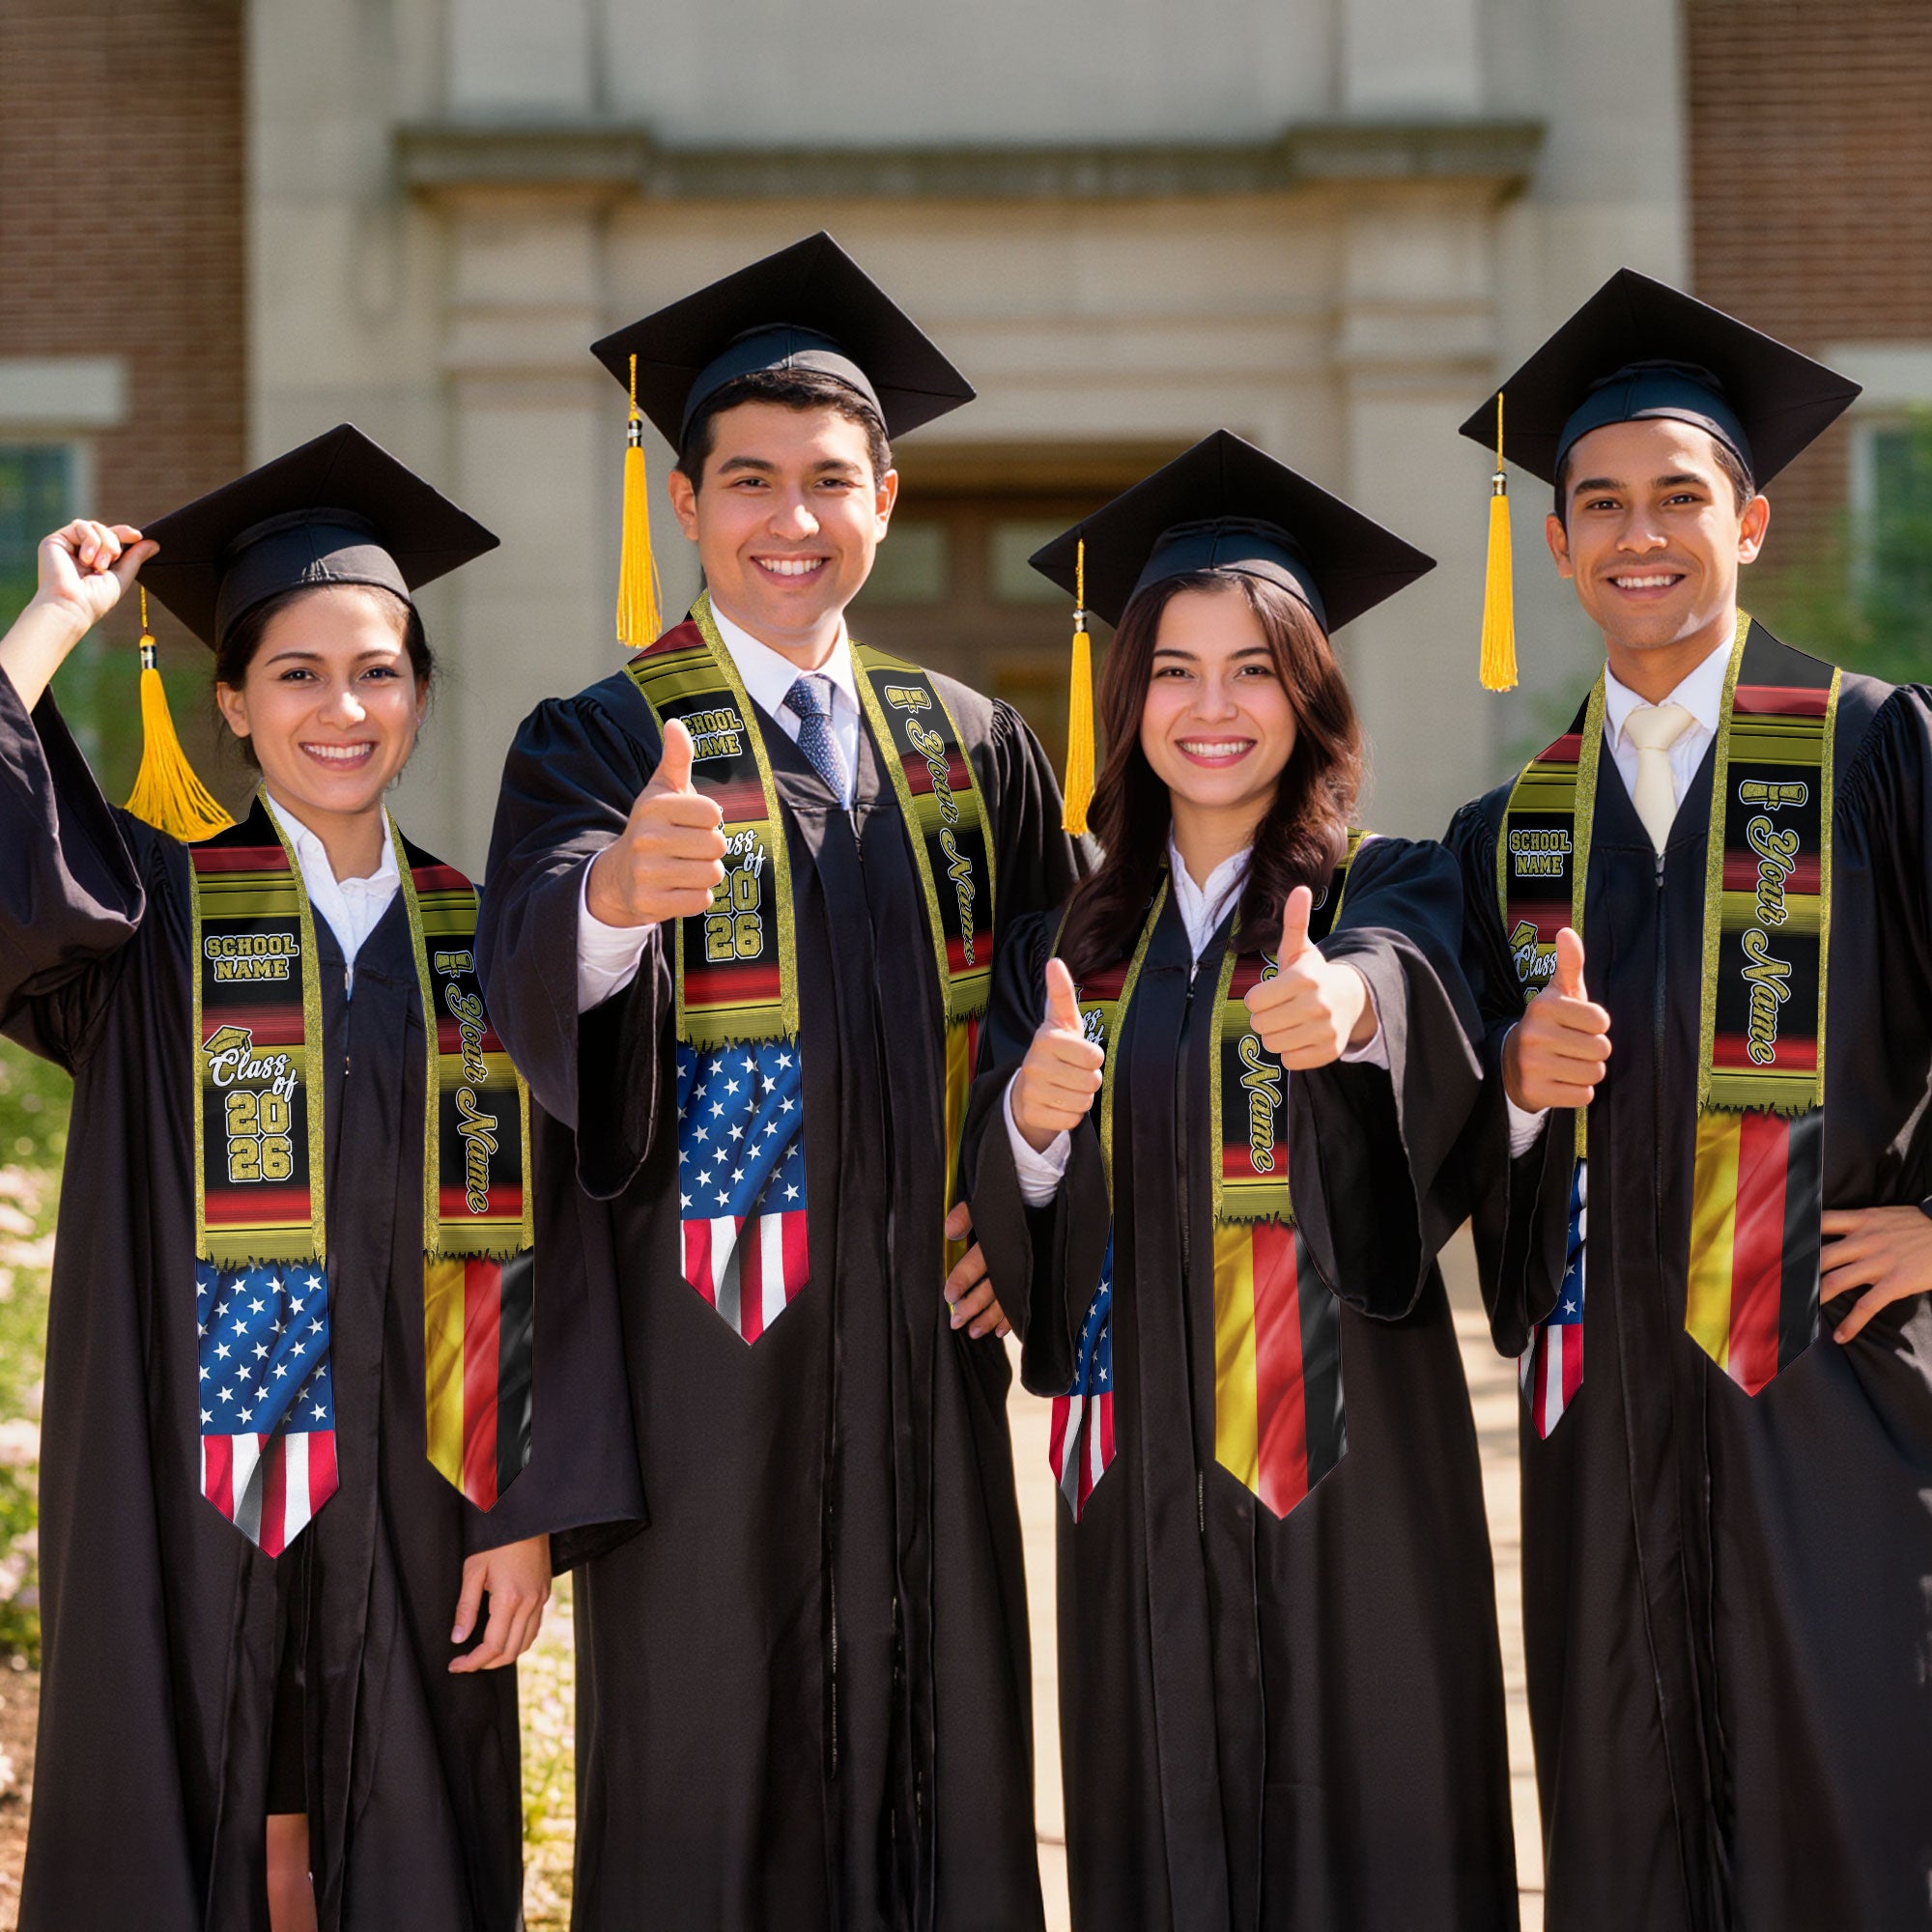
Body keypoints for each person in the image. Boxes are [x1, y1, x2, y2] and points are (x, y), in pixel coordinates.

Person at [477, 233, 1084, 1930]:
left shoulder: (972, 745)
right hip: (705, 1370)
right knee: (710, 1776)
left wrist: (1020, 1204)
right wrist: (613, 900)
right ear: (686, 503)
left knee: (941, 1763)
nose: (790, 518)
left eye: (829, 480)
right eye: (749, 481)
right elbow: (525, 968)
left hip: (925, 1364)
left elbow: (1069, 1002)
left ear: (886, 498)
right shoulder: (600, 738)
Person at [0, 425, 640, 1932]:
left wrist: (525, 1510)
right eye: (296, 673)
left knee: (407, 1831)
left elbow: (566, 1243)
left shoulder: (489, 941)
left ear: (418, 694)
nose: (341, 709)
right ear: (231, 701)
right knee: (189, 1803)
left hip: (426, 1490)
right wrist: (52, 622)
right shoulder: (149, 918)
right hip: (182, 1484)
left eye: (378, 672)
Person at [963, 432, 1518, 1930]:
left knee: (1372, 1818)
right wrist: (1030, 1125)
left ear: (1310, 693)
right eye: (1175, 671)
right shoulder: (1066, 943)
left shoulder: (1389, 883)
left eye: (1254, 670)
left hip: (1350, 1457)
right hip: (1136, 1461)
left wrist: (1350, 1010)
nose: (1213, 708)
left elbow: (1408, 988)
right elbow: (1013, 1210)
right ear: (1127, 698)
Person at [1447, 270, 1932, 1931]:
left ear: (1752, 522)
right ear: (1557, 542)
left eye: (1677, 497)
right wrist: (1515, 1092)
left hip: (1833, 1399)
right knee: (1627, 1823)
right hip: (1605, 1426)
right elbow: (1453, 1138)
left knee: (1853, 1815)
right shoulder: (1512, 832)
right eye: (1599, 504)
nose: (1637, 534)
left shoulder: (1877, 754)